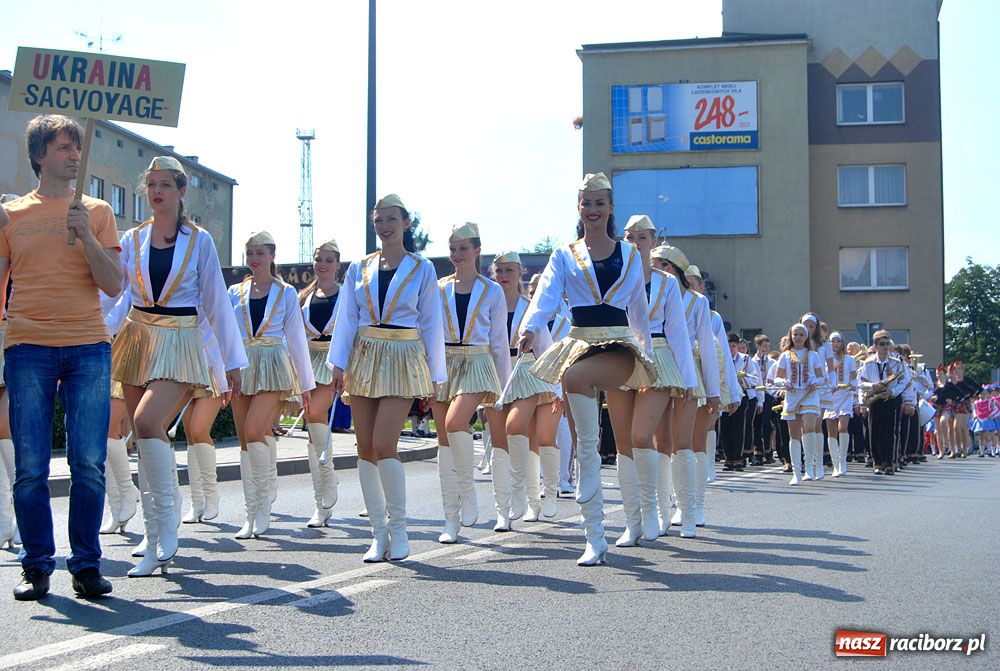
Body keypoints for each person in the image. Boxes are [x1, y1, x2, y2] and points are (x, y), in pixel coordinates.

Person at [0, 115, 123, 599]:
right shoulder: (12, 216)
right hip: (28, 346)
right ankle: (36, 566)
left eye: (76, 147)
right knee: (30, 466)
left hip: (87, 346)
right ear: (39, 156)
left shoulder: (97, 210)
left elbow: (113, 283)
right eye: (64, 148)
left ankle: (86, 566)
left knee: (88, 462)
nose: (74, 155)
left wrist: (87, 236)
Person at [114, 156, 246, 576]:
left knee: (148, 421)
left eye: (166, 185)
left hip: (180, 338)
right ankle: (154, 538)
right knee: (143, 431)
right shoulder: (131, 239)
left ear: (181, 191)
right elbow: (115, 295)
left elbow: (215, 301)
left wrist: (230, 361)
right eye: (151, 184)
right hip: (137, 336)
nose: (157, 191)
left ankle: (166, 528)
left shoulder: (199, 240)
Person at [519, 173, 656, 565]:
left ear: (610, 207)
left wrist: (650, 359)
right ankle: (595, 537)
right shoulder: (564, 255)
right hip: (578, 342)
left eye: (600, 203)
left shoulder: (630, 255)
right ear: (578, 208)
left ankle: (629, 517)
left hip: (618, 345)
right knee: (585, 444)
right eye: (586, 203)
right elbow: (545, 294)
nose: (593, 210)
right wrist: (529, 327)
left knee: (576, 382)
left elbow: (638, 312)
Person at [328, 194, 445, 562]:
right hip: (364, 355)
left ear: (406, 223)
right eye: (378, 221)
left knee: (383, 443)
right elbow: (347, 316)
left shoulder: (422, 268)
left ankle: (400, 529)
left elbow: (431, 321)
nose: (384, 227)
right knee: (364, 448)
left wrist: (435, 373)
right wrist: (338, 363)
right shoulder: (358, 268)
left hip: (403, 356)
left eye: (391, 219)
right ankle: (378, 534)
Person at [229, 231, 314, 540]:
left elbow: (296, 338)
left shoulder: (287, 292)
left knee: (254, 430)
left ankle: (263, 507)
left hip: (273, 365)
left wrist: (305, 384)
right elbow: (226, 333)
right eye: (250, 252)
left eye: (260, 252)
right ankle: (250, 512)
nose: (254, 258)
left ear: (272, 256)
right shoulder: (233, 292)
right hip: (242, 366)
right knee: (244, 440)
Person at [620, 217, 697, 546]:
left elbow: (679, 333)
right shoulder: (616, 278)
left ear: (653, 241)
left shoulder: (666, 283)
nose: (637, 242)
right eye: (631, 237)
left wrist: (688, 380)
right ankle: (631, 521)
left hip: (660, 356)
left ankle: (652, 509)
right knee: (624, 445)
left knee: (642, 435)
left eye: (643, 237)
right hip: (622, 356)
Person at [431, 225, 509, 542]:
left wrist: (505, 389)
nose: (457, 255)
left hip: (477, 363)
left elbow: (500, 344)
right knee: (443, 440)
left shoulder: (492, 291)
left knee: (455, 422)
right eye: (453, 248)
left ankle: (469, 490)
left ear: (477, 251)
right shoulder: (438, 288)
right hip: (444, 364)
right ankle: (451, 518)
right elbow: (430, 334)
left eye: (463, 248)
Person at [650, 248, 719, 536]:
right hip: (657, 372)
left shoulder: (697, 302)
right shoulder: (652, 295)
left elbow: (708, 345)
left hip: (688, 373)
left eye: (658, 267)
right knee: (659, 443)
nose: (653, 272)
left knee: (684, 443)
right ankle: (661, 512)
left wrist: (715, 390)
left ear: (672, 268)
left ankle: (689, 512)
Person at [489, 251, 555, 532]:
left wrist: (557, 390)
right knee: (500, 442)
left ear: (520, 273)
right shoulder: (487, 305)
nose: (503, 276)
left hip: (527, 373)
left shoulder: (531, 308)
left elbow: (546, 348)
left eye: (509, 271)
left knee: (519, 429)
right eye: (499, 270)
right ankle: (505, 509)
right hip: (494, 374)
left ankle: (533, 495)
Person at [298, 239, 343, 529]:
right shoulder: (303, 297)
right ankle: (322, 501)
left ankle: (328, 483)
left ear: (338, 264)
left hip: (334, 363)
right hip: (308, 362)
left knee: (315, 414)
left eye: (328, 259)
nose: (322, 264)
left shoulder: (347, 295)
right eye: (318, 259)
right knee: (312, 433)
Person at [772, 323, 826, 485]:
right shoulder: (785, 356)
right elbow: (776, 378)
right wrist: (784, 382)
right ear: (791, 336)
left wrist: (814, 382)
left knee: (809, 428)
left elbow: (822, 377)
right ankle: (796, 471)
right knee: (794, 435)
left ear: (806, 337)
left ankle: (811, 467)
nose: (798, 337)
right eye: (795, 334)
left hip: (809, 395)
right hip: (793, 396)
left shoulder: (813, 355)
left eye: (801, 334)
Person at [857, 330, 914, 474]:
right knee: (874, 431)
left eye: (887, 344)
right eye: (882, 344)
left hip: (891, 398)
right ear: (875, 346)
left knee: (890, 431)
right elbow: (861, 382)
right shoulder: (868, 363)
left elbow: (905, 381)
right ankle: (877, 462)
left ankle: (890, 462)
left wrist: (892, 392)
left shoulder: (897, 361)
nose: (885, 347)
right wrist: (873, 386)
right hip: (875, 398)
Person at [823, 332, 858, 477]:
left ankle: (843, 461)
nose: (835, 344)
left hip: (845, 396)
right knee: (831, 431)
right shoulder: (825, 360)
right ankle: (836, 464)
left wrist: (852, 386)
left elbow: (854, 378)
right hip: (831, 397)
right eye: (832, 341)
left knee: (842, 427)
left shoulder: (849, 359)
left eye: (838, 341)